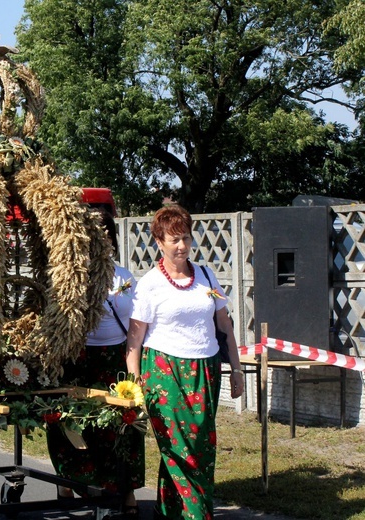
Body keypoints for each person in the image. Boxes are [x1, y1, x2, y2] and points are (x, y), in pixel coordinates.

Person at [126, 204, 244, 520]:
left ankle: (168, 512)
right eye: (173, 240)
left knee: (200, 446)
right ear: (159, 242)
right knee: (182, 447)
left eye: (186, 239)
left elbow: (225, 326)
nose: (181, 246)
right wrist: (135, 388)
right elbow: (134, 342)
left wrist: (236, 368)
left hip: (205, 370)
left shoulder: (207, 276)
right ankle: (198, 515)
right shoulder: (149, 284)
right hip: (163, 372)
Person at [47, 211, 145, 519]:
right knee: (74, 426)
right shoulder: (69, 273)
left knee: (124, 425)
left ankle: (125, 491)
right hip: (78, 357)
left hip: (116, 357)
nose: (101, 239)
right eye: (94, 233)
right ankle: (70, 484)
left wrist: (135, 366)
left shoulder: (124, 276)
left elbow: (135, 324)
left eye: (106, 233)